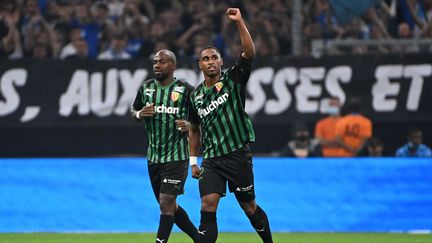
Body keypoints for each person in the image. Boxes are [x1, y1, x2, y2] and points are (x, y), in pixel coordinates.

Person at [188, 8, 273, 243]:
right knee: (207, 203)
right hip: (212, 159)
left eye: (214, 57)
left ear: (221, 61)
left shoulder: (233, 79)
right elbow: (194, 129)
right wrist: (193, 162)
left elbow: (249, 52)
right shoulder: (194, 97)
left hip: (237, 155)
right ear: (200, 65)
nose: (210, 62)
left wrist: (239, 22)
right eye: (206, 59)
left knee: (249, 208)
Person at [131, 49, 200, 243]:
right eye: (155, 62)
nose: (157, 66)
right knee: (169, 207)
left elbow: (203, 116)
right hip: (153, 159)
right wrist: (139, 114)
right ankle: (199, 239)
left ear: (172, 66)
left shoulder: (185, 89)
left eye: (161, 62)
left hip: (177, 157)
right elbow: (134, 111)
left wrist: (189, 125)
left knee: (166, 202)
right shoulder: (146, 88)